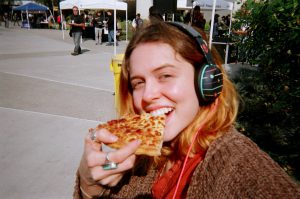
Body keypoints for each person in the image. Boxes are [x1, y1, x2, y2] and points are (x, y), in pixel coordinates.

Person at [73, 22, 300, 198]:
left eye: (166, 75)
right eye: (138, 83)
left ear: (207, 82)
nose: (148, 95)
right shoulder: (140, 157)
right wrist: (89, 187)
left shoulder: (237, 162)